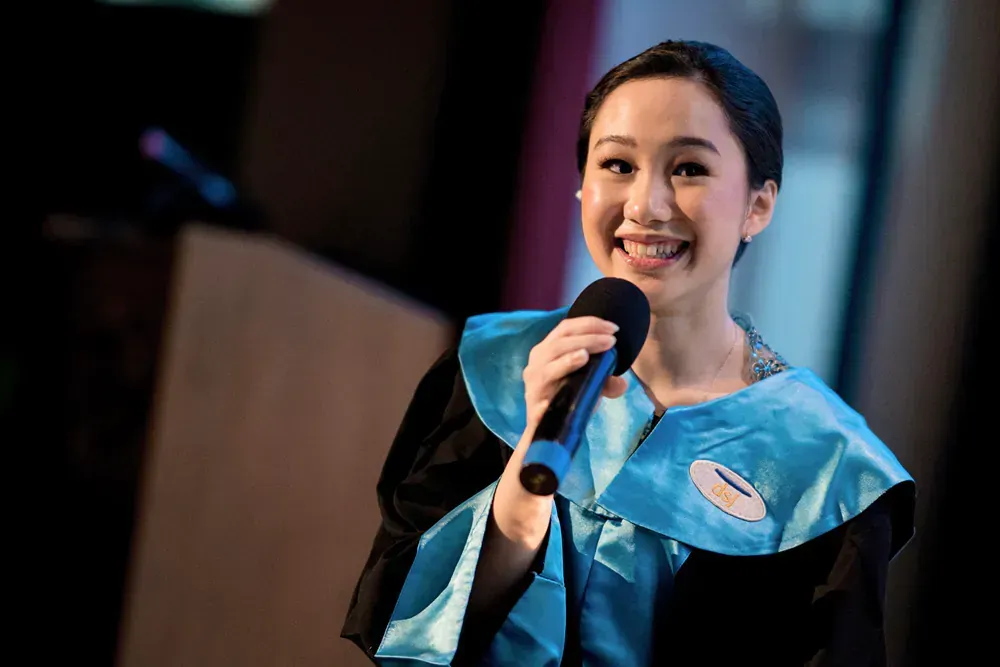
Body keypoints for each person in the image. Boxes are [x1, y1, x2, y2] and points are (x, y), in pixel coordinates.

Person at [341, 40, 915, 666]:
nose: (645, 206)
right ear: (582, 186)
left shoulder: (824, 468)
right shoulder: (491, 369)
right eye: (617, 165)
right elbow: (405, 632)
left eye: (689, 169)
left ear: (758, 205)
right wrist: (528, 468)